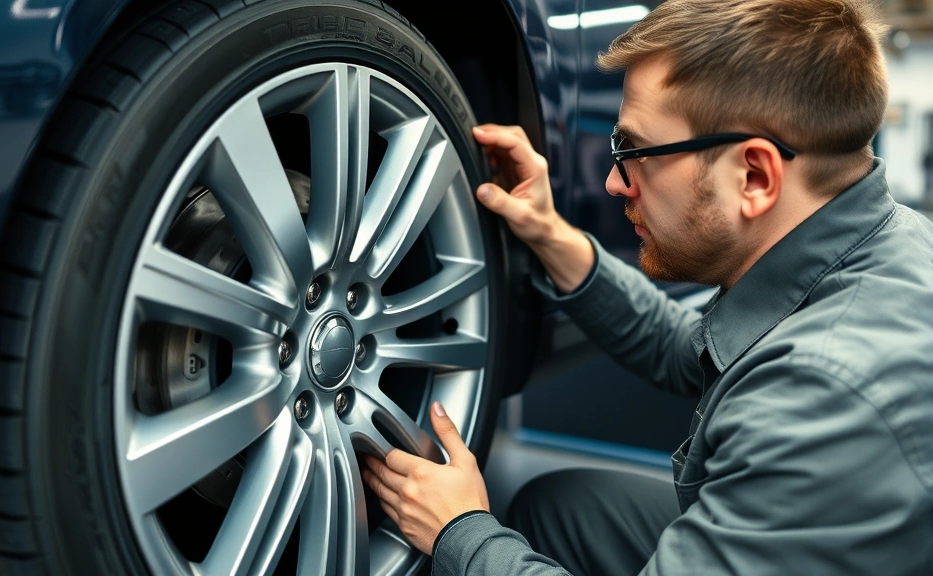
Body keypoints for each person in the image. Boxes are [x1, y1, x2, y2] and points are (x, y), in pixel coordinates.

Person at [361, 0, 933, 574]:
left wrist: (461, 533)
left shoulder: (823, 401)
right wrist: (552, 235)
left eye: (633, 151)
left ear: (754, 176)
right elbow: (688, 349)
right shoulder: (877, 243)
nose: (612, 182)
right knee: (562, 510)